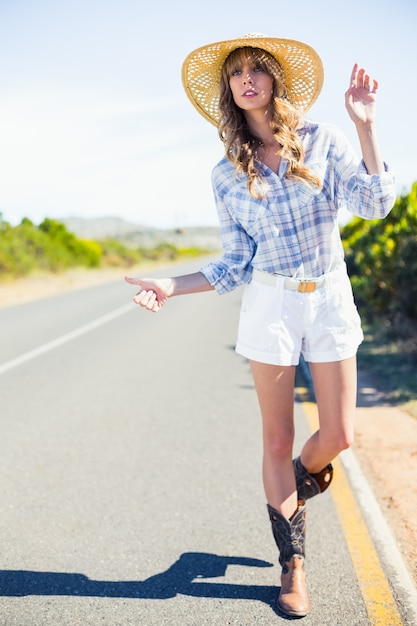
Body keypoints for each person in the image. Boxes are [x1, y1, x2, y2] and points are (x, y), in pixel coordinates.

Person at [125, 33, 396, 618]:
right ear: (228, 90)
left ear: (275, 80)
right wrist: (172, 286)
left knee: (339, 435)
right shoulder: (226, 174)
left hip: (328, 297)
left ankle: (303, 476)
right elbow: (234, 263)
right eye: (236, 73)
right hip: (271, 304)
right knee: (274, 439)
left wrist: (368, 124)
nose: (246, 79)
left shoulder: (324, 140)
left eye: (256, 69)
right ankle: (292, 565)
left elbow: (377, 204)